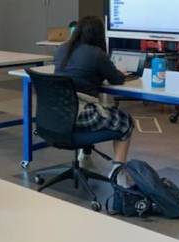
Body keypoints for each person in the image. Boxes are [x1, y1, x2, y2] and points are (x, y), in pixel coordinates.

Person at [53, 15, 132, 166]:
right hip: (80, 116)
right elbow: (117, 80)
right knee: (125, 121)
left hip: (57, 115)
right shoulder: (97, 54)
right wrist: (119, 72)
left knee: (95, 109)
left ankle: (85, 155)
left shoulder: (62, 49)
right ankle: (118, 171)